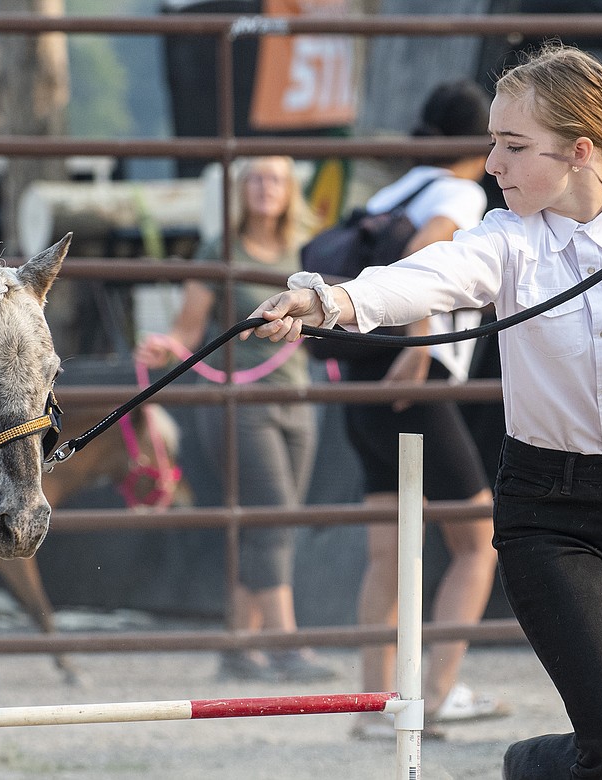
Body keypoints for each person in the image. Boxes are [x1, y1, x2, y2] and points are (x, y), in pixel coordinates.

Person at [242, 43, 602, 779]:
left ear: (581, 151)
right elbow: (428, 276)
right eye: (492, 142)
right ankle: (534, 766)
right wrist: (330, 298)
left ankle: (534, 766)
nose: (492, 163)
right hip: (549, 512)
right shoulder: (507, 239)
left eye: (512, 146)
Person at [343, 79, 506, 742]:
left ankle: (373, 706)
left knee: (388, 551)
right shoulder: (461, 192)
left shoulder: (394, 188)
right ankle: (434, 698)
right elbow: (422, 260)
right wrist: (418, 343)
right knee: (477, 541)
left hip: (361, 383)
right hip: (415, 378)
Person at [134, 155, 332, 682]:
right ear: (243, 190)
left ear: (291, 192)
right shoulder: (219, 249)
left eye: (277, 180)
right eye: (257, 180)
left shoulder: (306, 253)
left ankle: (238, 647)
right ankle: (285, 644)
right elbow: (187, 329)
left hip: (297, 400)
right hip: (239, 406)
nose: (267, 189)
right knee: (274, 520)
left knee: (264, 524)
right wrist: (165, 348)